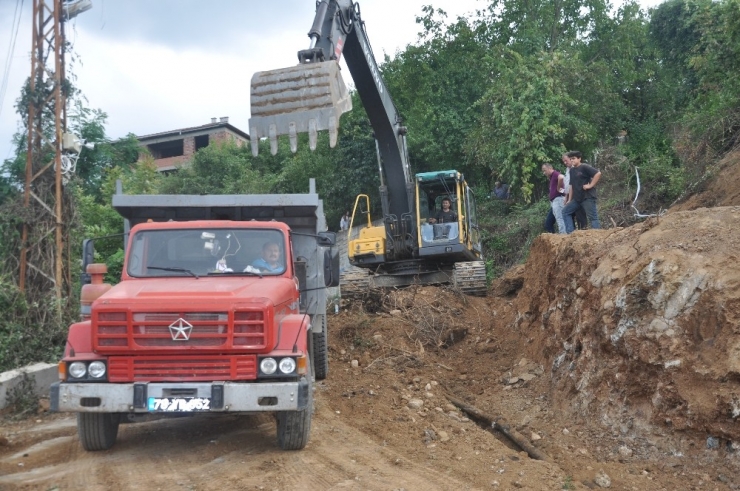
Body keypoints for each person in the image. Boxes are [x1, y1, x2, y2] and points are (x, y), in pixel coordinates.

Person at [562, 151, 602, 234]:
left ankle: (598, 236)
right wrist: (569, 200)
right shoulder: (572, 170)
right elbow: (571, 185)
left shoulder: (584, 167)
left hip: (587, 196)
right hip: (577, 198)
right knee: (565, 212)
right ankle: (571, 235)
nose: (572, 160)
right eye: (570, 159)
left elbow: (598, 173)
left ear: (579, 158)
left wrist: (590, 185)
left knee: (592, 217)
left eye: (573, 158)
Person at [562, 153, 587, 230]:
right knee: (570, 214)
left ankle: (583, 230)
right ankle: (573, 233)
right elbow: (568, 185)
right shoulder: (568, 170)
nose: (565, 163)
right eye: (564, 161)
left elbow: (574, 184)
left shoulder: (577, 168)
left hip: (578, 194)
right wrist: (567, 198)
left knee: (580, 214)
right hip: (570, 195)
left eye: (566, 160)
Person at [541, 163, 566, 234]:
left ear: (550, 168)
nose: (544, 173)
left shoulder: (555, 174)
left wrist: (558, 188)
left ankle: (563, 235)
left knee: (560, 218)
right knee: (552, 221)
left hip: (558, 200)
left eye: (545, 170)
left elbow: (561, 177)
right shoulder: (552, 177)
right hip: (555, 201)